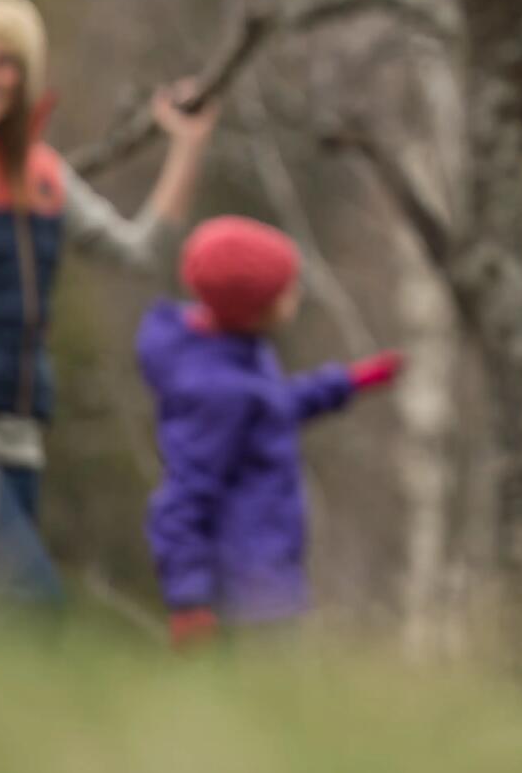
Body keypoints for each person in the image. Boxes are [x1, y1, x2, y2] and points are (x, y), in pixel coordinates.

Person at [0, 0, 218, 610]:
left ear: (28, 73)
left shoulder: (44, 176)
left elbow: (138, 250)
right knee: (34, 602)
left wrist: (188, 146)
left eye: (3, 62)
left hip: (21, 433)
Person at [139, 216, 403, 647]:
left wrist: (349, 382)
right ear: (255, 308)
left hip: (267, 568)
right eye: (288, 288)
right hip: (244, 586)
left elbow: (273, 406)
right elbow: (184, 496)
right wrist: (189, 601)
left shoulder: (230, 351)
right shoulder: (220, 390)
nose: (296, 293)